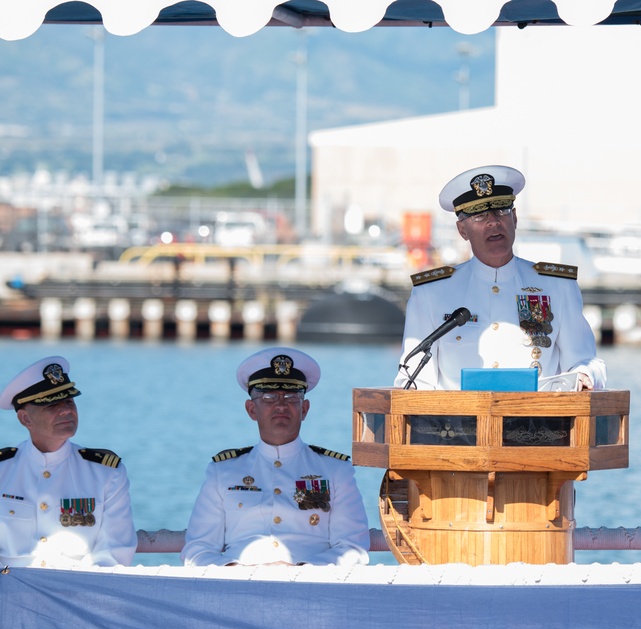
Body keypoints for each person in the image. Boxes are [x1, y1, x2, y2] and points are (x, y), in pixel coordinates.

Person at [394, 164, 606, 391]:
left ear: (514, 218)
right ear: (462, 230)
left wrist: (584, 374)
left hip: (536, 423)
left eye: (501, 211)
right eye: (479, 216)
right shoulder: (431, 292)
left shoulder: (557, 287)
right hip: (458, 424)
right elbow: (413, 380)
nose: (493, 222)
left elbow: (586, 361)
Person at [181, 347, 370, 566]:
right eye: (269, 397)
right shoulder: (223, 471)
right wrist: (233, 573)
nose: (281, 405)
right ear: (251, 410)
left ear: (305, 409)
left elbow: (352, 548)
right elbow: (198, 549)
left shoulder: (336, 470)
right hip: (238, 586)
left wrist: (303, 573)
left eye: (291, 397)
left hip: (312, 585)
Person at [0, 356, 136, 568]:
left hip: (76, 596)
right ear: (25, 419)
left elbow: (114, 555)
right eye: (52, 405)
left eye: (69, 401)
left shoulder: (107, 473)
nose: (66, 410)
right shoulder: (3, 469)